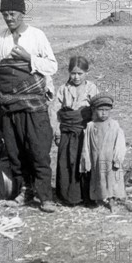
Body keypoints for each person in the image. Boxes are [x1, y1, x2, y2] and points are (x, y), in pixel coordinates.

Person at [0, 0, 58, 213]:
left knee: (38, 149)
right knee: (14, 149)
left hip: (33, 102)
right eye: (5, 14)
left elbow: (52, 66)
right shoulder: (0, 37)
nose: (9, 18)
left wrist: (28, 58)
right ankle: (24, 191)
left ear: (22, 13)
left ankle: (45, 197)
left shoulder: (36, 35)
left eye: (13, 14)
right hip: (8, 103)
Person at [52, 56, 99, 205]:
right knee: (66, 162)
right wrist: (57, 132)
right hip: (66, 131)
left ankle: (85, 196)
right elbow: (54, 111)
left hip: (83, 132)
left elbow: (97, 109)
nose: (76, 77)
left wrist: (94, 131)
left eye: (80, 73)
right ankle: (67, 196)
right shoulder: (63, 89)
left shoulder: (91, 88)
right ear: (68, 72)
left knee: (83, 161)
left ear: (87, 72)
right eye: (73, 73)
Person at [80, 94, 126, 211]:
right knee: (98, 178)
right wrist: (87, 160)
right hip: (96, 159)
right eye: (100, 110)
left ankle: (112, 201)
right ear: (94, 110)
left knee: (112, 179)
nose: (104, 113)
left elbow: (120, 143)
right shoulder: (90, 126)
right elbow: (87, 145)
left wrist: (117, 158)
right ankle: (99, 198)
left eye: (106, 110)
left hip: (111, 159)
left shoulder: (114, 125)